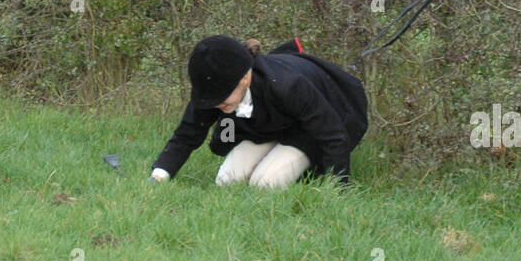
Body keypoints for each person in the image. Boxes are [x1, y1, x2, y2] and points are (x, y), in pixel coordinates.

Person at [149, 35, 369, 189]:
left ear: (245, 78)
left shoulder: (288, 85)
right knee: (226, 181)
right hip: (268, 127)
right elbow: (187, 135)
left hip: (311, 128)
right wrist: (158, 176)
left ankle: (306, 168)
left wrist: (337, 189)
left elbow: (333, 136)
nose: (216, 104)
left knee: (265, 184)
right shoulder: (214, 91)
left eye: (221, 98)